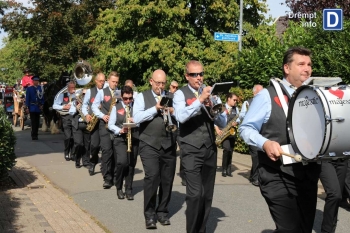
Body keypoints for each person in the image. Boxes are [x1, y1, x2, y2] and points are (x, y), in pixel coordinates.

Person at [239, 46, 320, 232]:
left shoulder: (315, 95)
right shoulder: (267, 95)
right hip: (276, 174)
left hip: (308, 175)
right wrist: (265, 143)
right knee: (289, 229)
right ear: (286, 68)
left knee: (304, 229)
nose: (307, 68)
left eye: (309, 64)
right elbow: (246, 128)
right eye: (301, 64)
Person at [173, 60, 225, 233]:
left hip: (209, 148)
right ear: (187, 76)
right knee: (195, 195)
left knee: (207, 195)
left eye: (201, 74)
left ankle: (201, 229)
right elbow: (180, 116)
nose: (199, 78)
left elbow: (222, 121)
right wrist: (200, 101)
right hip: (190, 148)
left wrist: (215, 109)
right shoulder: (180, 94)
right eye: (194, 74)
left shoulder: (210, 93)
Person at [133, 69, 177, 229]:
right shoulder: (141, 97)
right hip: (149, 143)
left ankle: (163, 212)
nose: (160, 86)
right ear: (151, 81)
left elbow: (182, 116)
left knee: (167, 179)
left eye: (163, 83)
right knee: (152, 177)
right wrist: (155, 109)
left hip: (169, 143)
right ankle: (149, 215)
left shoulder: (172, 97)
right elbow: (136, 118)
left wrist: (173, 111)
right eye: (157, 83)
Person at [108, 85, 139, 200]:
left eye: (130, 98)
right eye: (125, 98)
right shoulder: (116, 107)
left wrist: (136, 121)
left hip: (134, 138)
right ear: (121, 97)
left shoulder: (136, 106)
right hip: (120, 138)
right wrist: (120, 130)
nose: (128, 101)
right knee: (122, 163)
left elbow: (142, 119)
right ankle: (119, 186)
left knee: (131, 165)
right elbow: (111, 124)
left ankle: (129, 189)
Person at [92, 71, 119, 189]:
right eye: (113, 82)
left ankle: (115, 175)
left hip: (116, 126)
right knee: (107, 151)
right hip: (105, 125)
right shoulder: (102, 92)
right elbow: (94, 106)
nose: (115, 84)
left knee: (116, 152)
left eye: (117, 82)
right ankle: (107, 178)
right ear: (108, 81)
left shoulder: (119, 92)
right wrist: (102, 116)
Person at [239, 84, 263, 186]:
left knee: (260, 156)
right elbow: (241, 116)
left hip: (261, 133)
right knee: (255, 156)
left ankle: (253, 175)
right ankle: (255, 178)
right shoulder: (247, 103)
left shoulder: (264, 103)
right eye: (260, 91)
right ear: (254, 93)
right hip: (252, 133)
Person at [82, 73, 106, 176]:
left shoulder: (107, 92)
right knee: (95, 145)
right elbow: (84, 105)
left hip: (104, 121)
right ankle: (93, 162)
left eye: (104, 81)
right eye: (101, 81)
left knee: (106, 147)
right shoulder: (90, 92)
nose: (102, 83)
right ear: (96, 81)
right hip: (94, 121)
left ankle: (105, 166)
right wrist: (86, 114)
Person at [319, 156, 348, 232]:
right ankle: (326, 231)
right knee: (334, 194)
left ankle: (331, 230)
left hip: (343, 159)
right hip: (325, 159)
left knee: (337, 198)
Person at [215, 93, 240, 177]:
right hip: (224, 132)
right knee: (226, 149)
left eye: (236, 100)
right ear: (228, 99)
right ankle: (224, 169)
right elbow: (215, 120)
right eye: (234, 100)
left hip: (232, 132)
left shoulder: (236, 109)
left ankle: (229, 169)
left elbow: (239, 118)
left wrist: (236, 122)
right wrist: (217, 129)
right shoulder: (222, 108)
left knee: (231, 150)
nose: (235, 102)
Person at [53, 81, 76, 161]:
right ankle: (66, 152)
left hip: (75, 117)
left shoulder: (77, 96)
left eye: (74, 88)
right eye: (71, 88)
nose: (72, 89)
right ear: (68, 88)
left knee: (74, 137)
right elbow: (55, 105)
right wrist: (63, 107)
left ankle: (73, 153)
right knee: (68, 137)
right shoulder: (62, 95)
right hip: (66, 117)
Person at [69, 89, 91, 169]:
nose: (84, 95)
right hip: (77, 125)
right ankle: (77, 159)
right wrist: (76, 108)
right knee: (79, 143)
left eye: (86, 94)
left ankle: (86, 161)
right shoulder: (75, 102)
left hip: (87, 124)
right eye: (83, 94)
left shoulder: (89, 102)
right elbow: (71, 112)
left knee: (87, 144)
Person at [25, 76, 44, 140]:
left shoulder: (40, 88)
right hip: (32, 106)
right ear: (33, 81)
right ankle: (33, 134)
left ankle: (36, 133)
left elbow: (42, 97)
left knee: (37, 121)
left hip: (38, 107)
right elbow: (27, 98)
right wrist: (27, 107)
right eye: (35, 81)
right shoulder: (29, 89)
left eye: (37, 81)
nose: (36, 82)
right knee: (33, 121)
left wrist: (42, 104)